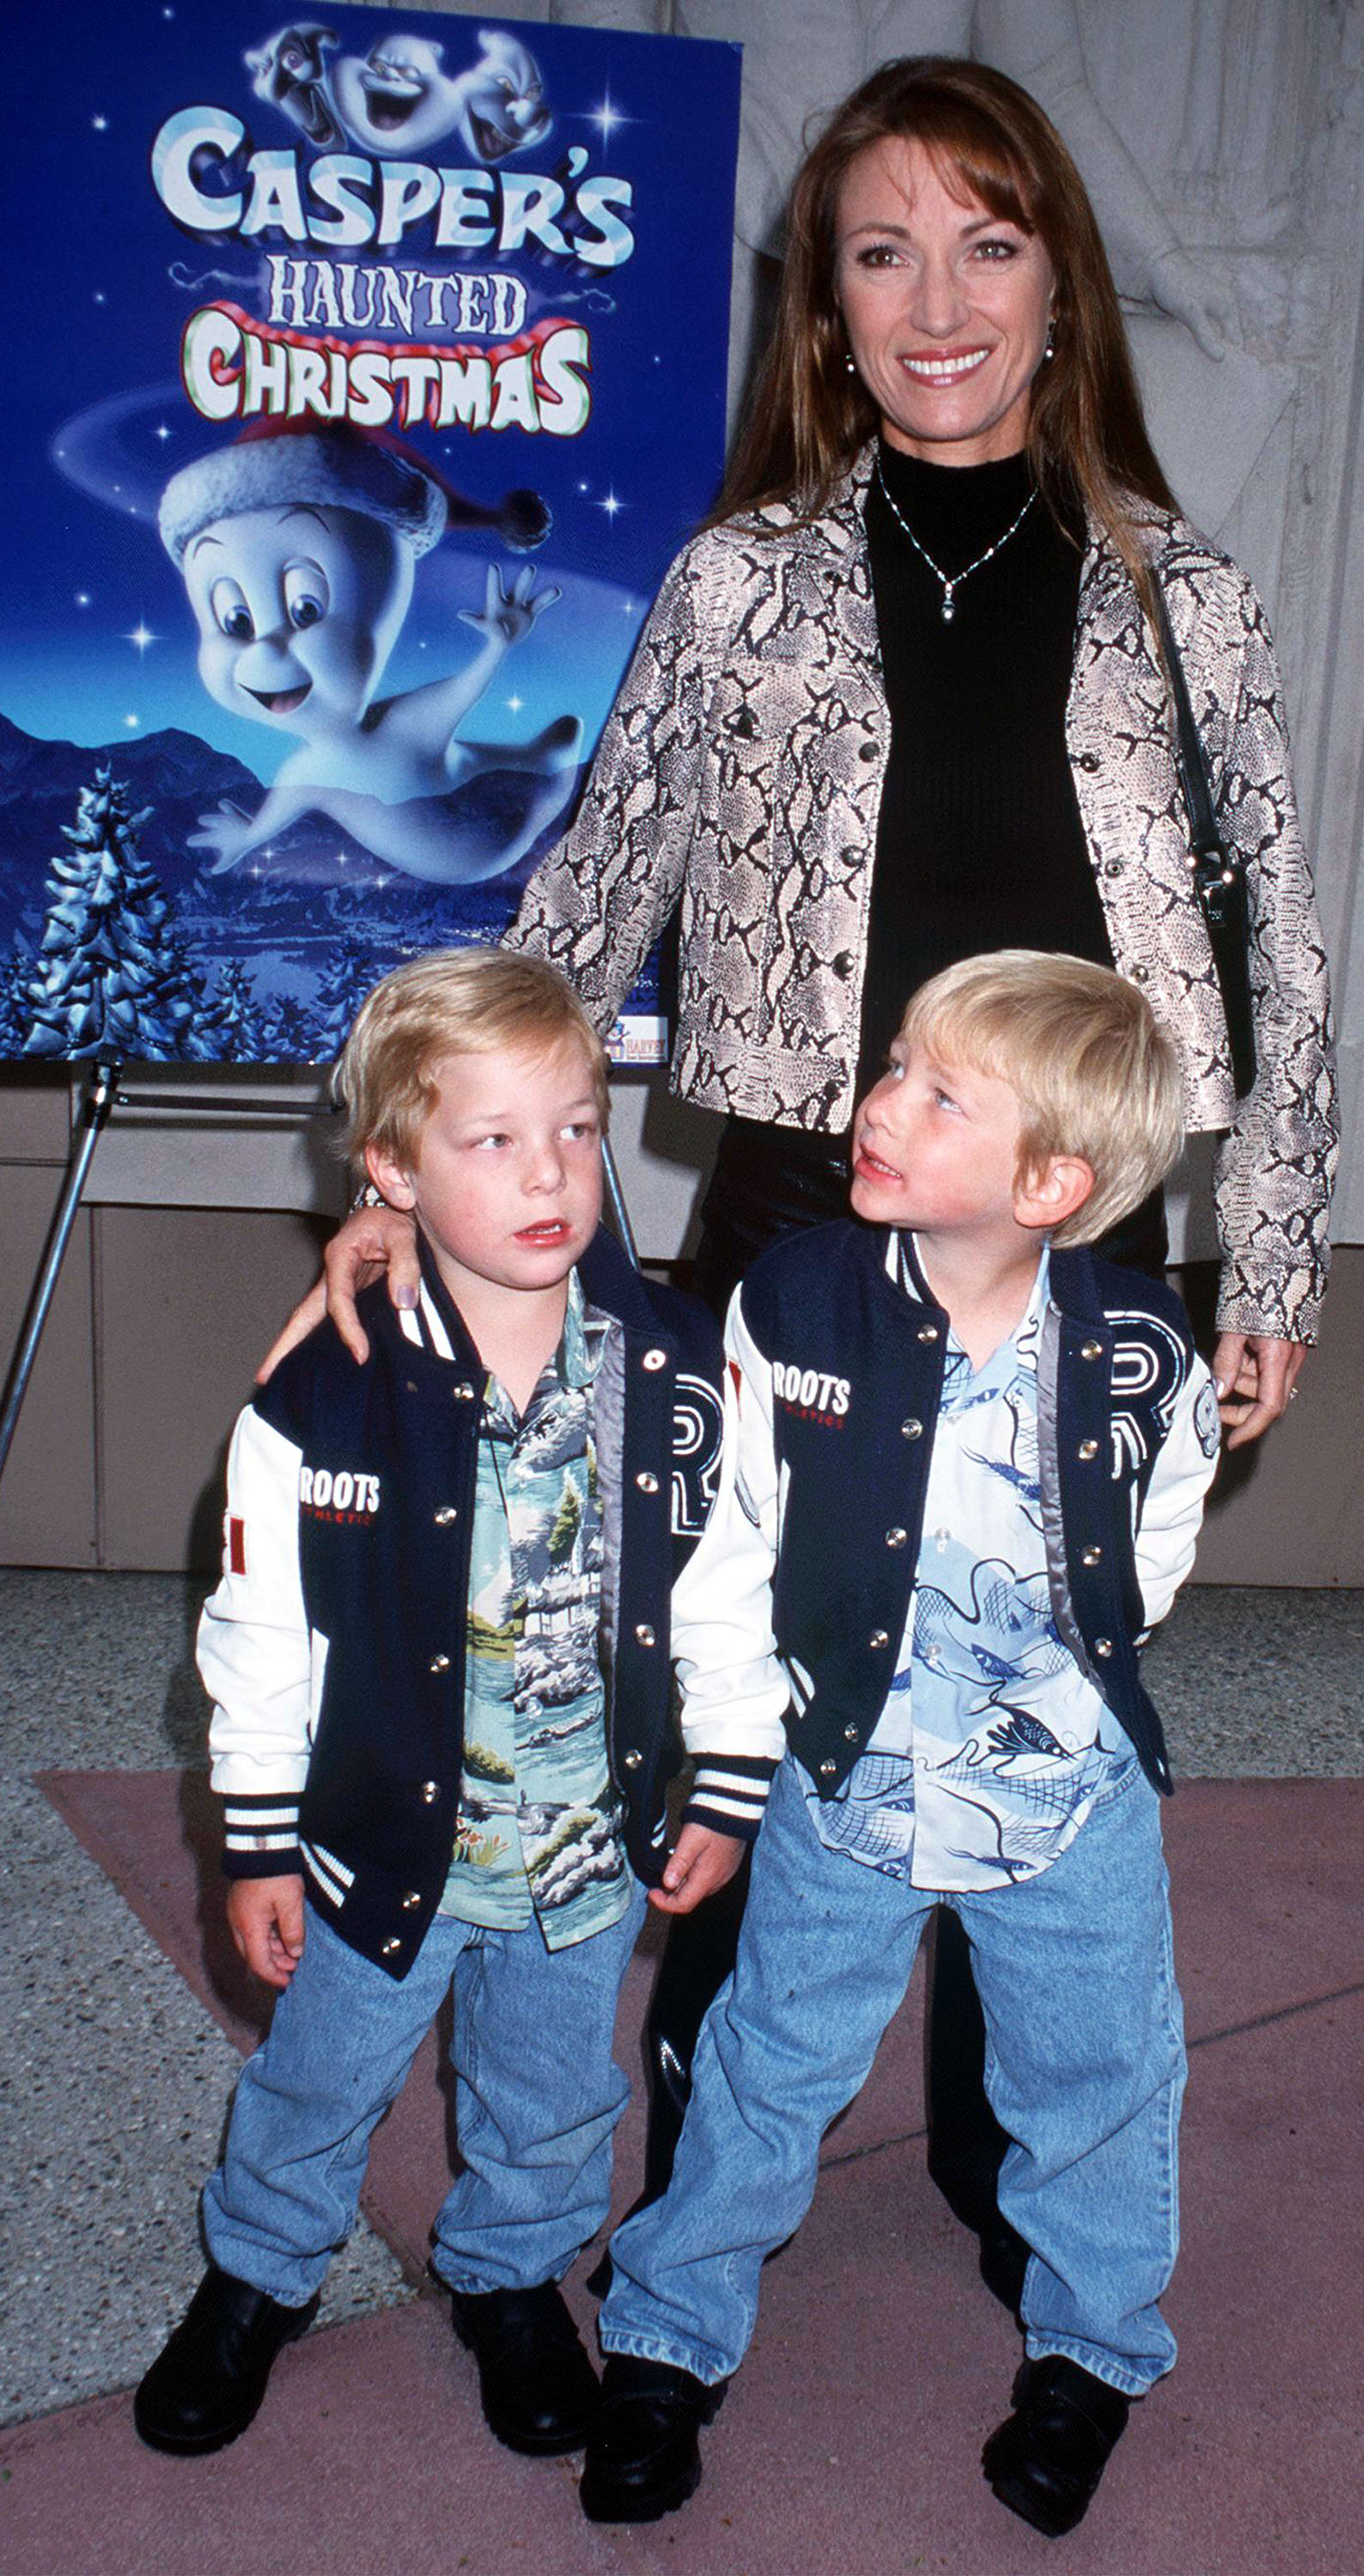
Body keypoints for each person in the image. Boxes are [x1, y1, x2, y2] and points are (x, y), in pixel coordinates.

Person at [274, 55, 1336, 2287]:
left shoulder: (1185, 598)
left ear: (1056, 284)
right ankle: (692, 2163)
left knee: (1027, 1707)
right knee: (735, 1693)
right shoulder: (741, 582)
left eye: (985, 238)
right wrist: (408, 1167)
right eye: (879, 250)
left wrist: (1274, 1255)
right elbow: (585, 895)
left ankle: (993, 2146)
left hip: (1075, 1246)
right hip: (786, 1236)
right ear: (822, 310)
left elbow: (1278, 935)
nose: (934, 297)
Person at [576, 950, 1223, 2540]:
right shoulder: (793, 1301)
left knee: (1098, 2076)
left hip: (1057, 1796)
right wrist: (732, 1757)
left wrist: (1069, 1654)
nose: (881, 1107)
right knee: (765, 2056)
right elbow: (728, 1540)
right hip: (842, 1774)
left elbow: (1165, 1516)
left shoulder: (1138, 1348)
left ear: (1052, 1182)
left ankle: (1090, 2350)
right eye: (892, 1069)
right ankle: (669, 2331)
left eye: (942, 1096)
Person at [133, 949, 756, 2461]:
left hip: (581, 1861)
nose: (549, 1170)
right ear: (391, 1172)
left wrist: (726, 1779)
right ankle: (257, 2274)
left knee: (552, 2094)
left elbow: (728, 1587)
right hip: (374, 1848)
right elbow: (261, 1632)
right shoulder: (316, 1397)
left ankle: (515, 2276)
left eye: (574, 1126)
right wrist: (259, 1841)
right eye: (491, 1140)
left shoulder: (674, 1369)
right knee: (317, 2080)